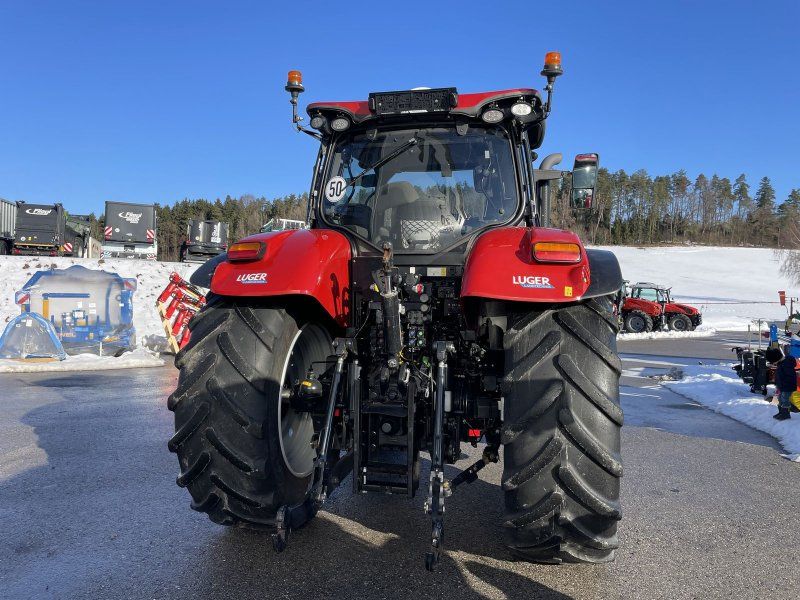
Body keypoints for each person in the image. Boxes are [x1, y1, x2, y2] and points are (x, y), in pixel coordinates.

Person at [767, 345, 796, 421]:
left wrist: (783, 385)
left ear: (777, 358)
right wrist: (777, 384)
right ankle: (781, 412)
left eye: (773, 362)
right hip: (782, 386)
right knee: (780, 398)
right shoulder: (781, 363)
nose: (773, 364)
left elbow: (790, 377)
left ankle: (785, 414)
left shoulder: (786, 365)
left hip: (787, 386)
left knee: (785, 399)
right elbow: (780, 376)